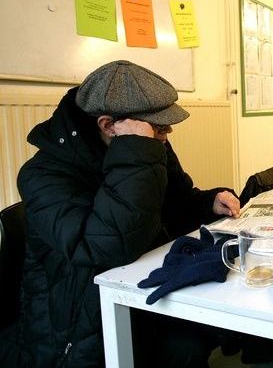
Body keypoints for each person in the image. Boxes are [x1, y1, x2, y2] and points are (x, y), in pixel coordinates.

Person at [0, 61, 243, 367]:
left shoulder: (146, 147)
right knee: (182, 347)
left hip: (135, 287)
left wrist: (208, 202)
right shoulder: (43, 175)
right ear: (107, 125)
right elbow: (105, 247)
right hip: (74, 323)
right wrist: (137, 152)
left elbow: (176, 204)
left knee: (194, 338)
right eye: (157, 127)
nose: (166, 134)